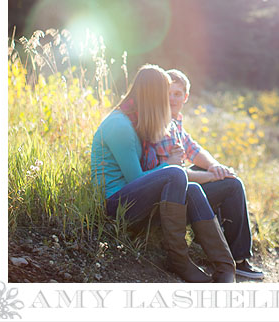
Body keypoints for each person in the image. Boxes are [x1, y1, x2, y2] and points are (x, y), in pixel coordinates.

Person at [90, 64, 236, 283]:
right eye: (163, 94)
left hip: (135, 199)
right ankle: (179, 260)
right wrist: (168, 164)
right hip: (116, 205)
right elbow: (136, 179)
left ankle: (226, 267)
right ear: (152, 95)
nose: (167, 101)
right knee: (176, 173)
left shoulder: (134, 120)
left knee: (194, 189)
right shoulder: (120, 126)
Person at [140, 69, 264, 280]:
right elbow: (175, 174)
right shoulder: (161, 125)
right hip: (169, 199)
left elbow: (194, 150)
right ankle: (238, 258)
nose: (172, 98)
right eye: (168, 93)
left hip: (179, 186)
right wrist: (213, 176)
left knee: (222, 176)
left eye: (177, 94)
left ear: (185, 97)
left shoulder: (175, 121)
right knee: (232, 186)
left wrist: (215, 167)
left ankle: (215, 244)